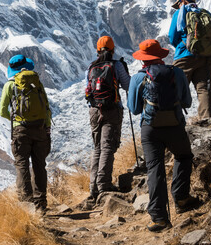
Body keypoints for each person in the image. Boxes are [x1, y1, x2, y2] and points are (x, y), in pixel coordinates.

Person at [127, 39, 199, 231]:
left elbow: (134, 109)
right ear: (161, 56)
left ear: (143, 60)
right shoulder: (176, 72)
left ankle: (159, 218)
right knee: (183, 156)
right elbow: (187, 101)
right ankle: (182, 198)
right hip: (175, 124)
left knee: (154, 169)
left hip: (150, 129)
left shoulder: (137, 78)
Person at [82, 35, 130, 209]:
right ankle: (104, 184)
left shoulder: (91, 67)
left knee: (98, 148)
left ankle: (93, 187)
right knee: (108, 146)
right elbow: (127, 85)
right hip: (112, 109)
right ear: (113, 49)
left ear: (97, 50)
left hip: (94, 110)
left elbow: (88, 89)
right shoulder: (116, 65)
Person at [0, 54, 52, 212]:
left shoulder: (10, 85)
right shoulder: (36, 82)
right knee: (39, 166)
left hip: (20, 130)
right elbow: (46, 108)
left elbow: (3, 111)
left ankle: (26, 204)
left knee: (22, 165)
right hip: (40, 128)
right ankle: (41, 202)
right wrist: (47, 127)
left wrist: (16, 120)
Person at [168, 0, 211, 119]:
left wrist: (183, 46)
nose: (178, 6)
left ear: (182, 1)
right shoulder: (205, 13)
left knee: (175, 90)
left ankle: (174, 123)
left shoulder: (180, 13)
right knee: (203, 89)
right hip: (205, 56)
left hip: (184, 56)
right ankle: (208, 120)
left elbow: (172, 37)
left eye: (178, 3)